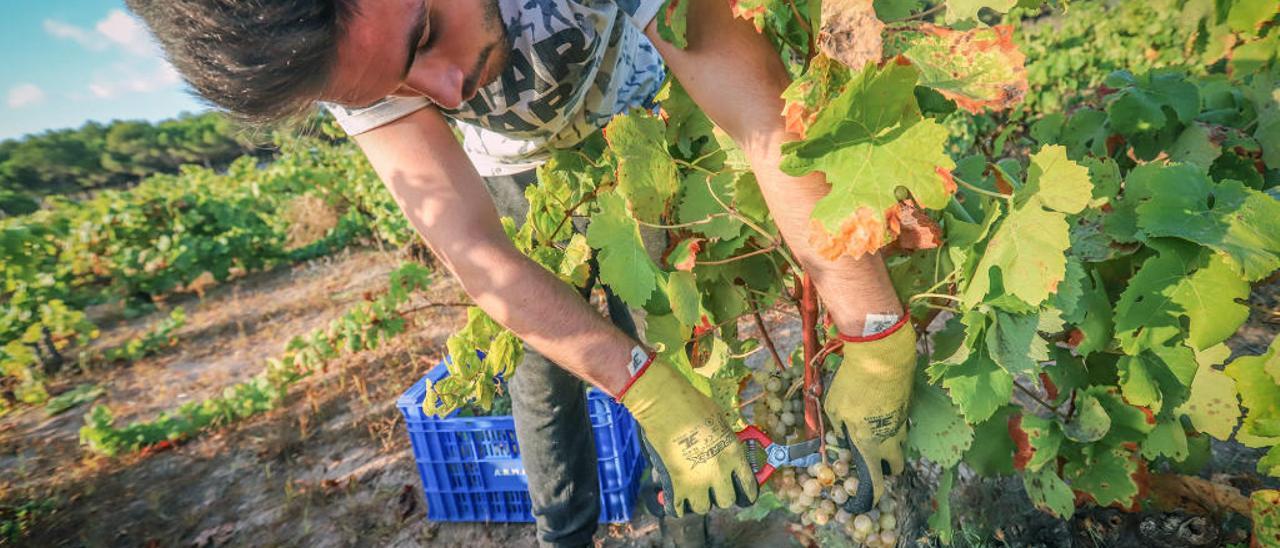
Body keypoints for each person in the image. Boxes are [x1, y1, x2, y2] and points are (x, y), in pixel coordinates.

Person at [125, 0, 918, 545]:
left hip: (650, 123)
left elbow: (755, 109)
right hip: (515, 180)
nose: (445, 92)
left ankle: (687, 526)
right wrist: (643, 389)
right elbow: (476, 252)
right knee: (546, 378)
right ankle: (563, 535)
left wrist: (874, 333)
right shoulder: (343, 39)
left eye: (426, 35)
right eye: (393, 88)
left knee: (679, 331)